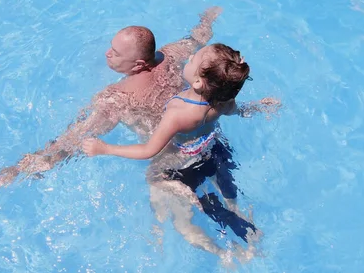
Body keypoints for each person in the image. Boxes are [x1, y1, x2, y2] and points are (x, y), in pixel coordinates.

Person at [0, 7, 225, 200]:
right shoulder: (173, 54)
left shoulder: (118, 97)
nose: (107, 54)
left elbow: (73, 139)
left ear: (139, 65)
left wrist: (18, 170)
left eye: (116, 53)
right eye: (112, 47)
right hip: (208, 139)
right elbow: (197, 38)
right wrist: (210, 17)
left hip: (172, 161)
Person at [81, 43, 263, 260]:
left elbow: (149, 150)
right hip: (214, 149)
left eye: (194, 58)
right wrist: (259, 107)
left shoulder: (178, 112)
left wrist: (106, 148)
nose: (191, 55)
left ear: (197, 82)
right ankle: (246, 226)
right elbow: (237, 111)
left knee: (178, 215)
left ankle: (223, 254)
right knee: (227, 194)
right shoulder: (223, 100)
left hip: (183, 166)